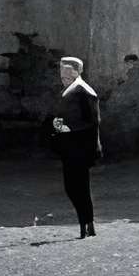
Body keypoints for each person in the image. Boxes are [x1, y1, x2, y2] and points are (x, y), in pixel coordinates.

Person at [50, 55, 101, 239]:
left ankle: (86, 223)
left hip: (80, 147)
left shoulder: (84, 91)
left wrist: (68, 127)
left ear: (77, 72)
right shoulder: (70, 90)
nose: (63, 78)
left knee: (76, 187)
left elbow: (92, 121)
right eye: (62, 74)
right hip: (72, 147)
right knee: (76, 187)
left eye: (67, 74)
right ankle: (87, 223)